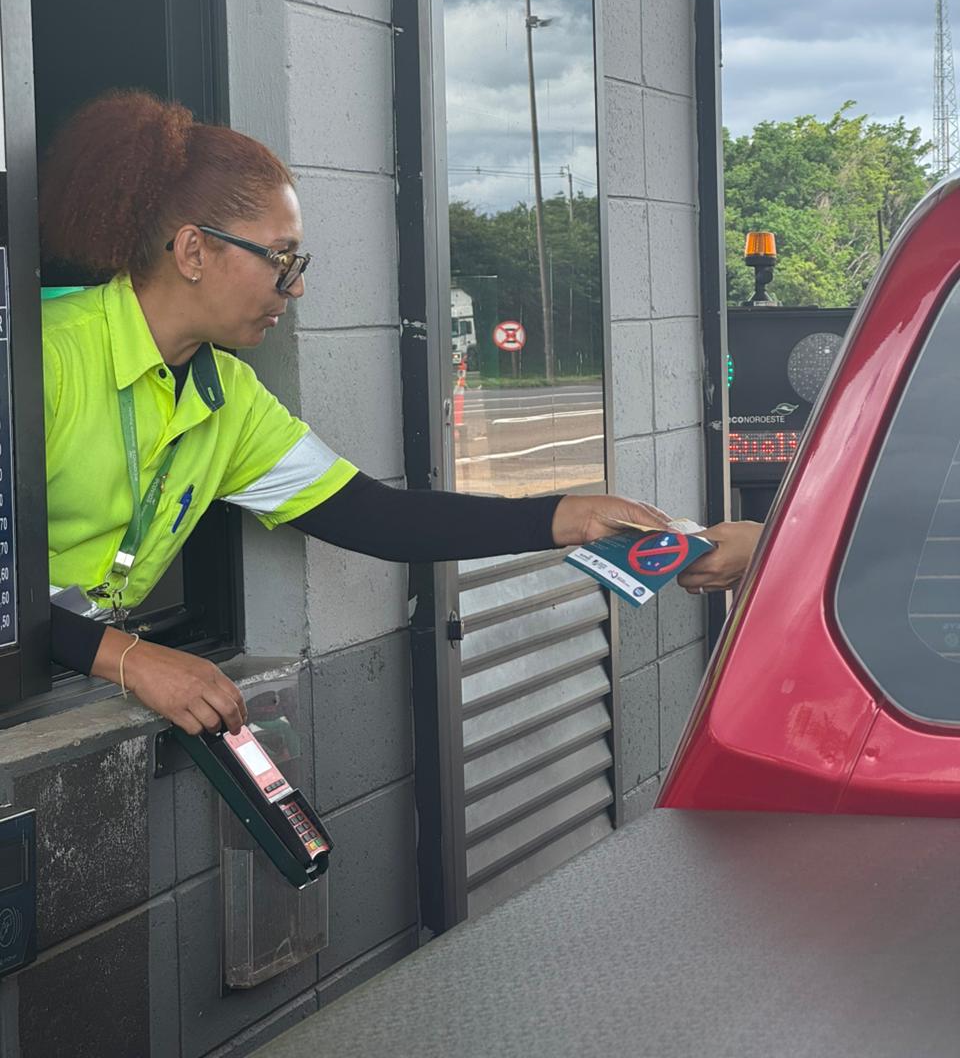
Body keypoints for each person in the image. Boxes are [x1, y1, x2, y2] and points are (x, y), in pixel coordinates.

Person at [40, 90, 759, 737]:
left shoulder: (223, 396)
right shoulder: (41, 360)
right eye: (281, 259)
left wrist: (566, 516)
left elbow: (375, 519)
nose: (293, 290)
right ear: (194, 250)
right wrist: (131, 660)